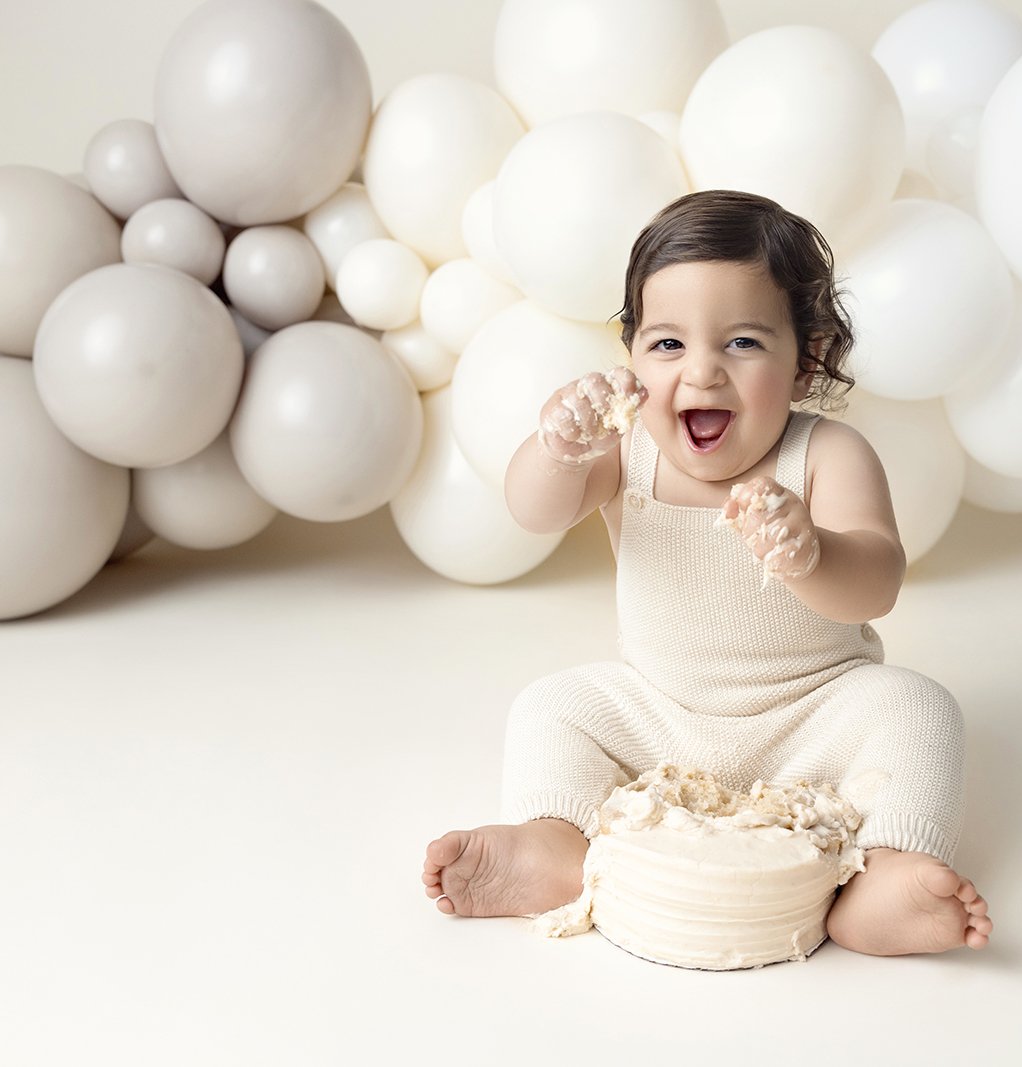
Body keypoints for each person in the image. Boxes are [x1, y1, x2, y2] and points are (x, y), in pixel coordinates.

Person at [421, 189, 991, 956]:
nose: (703, 374)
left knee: (921, 710)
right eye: (667, 345)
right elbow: (533, 510)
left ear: (806, 361)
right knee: (550, 705)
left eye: (744, 343)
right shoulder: (626, 450)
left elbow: (878, 580)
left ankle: (881, 875)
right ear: (630, 355)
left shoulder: (826, 455)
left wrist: (815, 553)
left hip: (811, 715)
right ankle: (554, 843)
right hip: (661, 709)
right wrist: (558, 449)